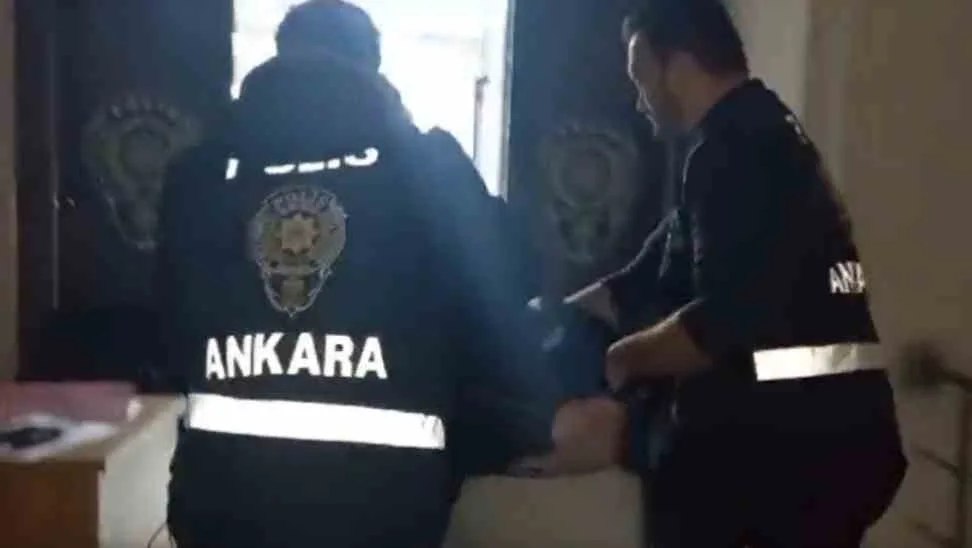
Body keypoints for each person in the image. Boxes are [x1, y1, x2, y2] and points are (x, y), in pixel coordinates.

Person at [155, 2, 622, 547]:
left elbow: (172, 341)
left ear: (279, 59)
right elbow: (512, 287)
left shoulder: (197, 177)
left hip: (219, 510)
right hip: (382, 515)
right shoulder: (426, 167)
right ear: (373, 70)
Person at [548, 0, 907, 546]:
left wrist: (621, 360)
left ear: (678, 66)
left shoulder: (735, 152)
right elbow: (640, 281)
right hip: (832, 438)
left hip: (792, 455)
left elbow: (719, 325)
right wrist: (545, 321)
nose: (639, 100)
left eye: (641, 78)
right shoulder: (754, 136)